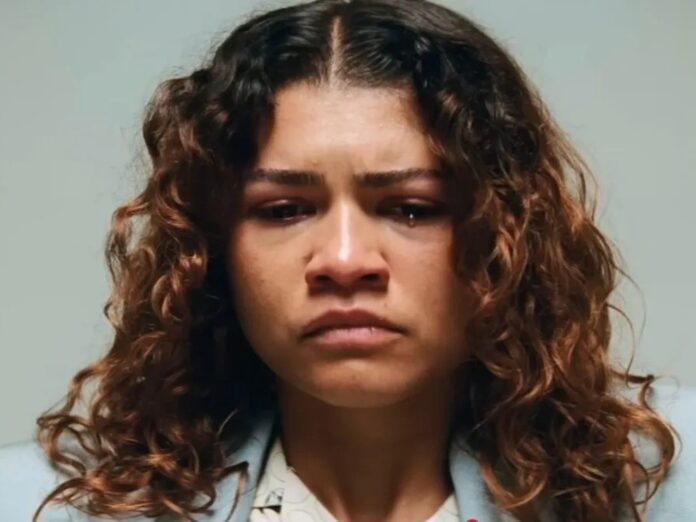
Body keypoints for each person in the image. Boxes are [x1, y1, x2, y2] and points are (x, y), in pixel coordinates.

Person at [1, 0, 694, 520]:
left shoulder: (664, 484)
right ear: (211, 250)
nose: (343, 259)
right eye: (282, 210)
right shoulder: (40, 505)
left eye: (413, 208)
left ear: (508, 233)